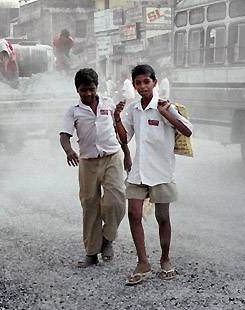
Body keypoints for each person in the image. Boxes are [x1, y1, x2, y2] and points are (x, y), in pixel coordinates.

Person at [114, 64, 193, 285]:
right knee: (133, 214)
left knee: (163, 218)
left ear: (154, 83)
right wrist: (117, 118)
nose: (142, 87)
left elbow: (187, 131)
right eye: (137, 83)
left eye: (146, 82)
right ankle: (143, 262)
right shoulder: (132, 109)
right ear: (134, 85)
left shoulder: (164, 105)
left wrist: (166, 114)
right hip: (139, 171)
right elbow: (125, 138)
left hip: (162, 171)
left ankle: (165, 259)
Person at [60, 68, 131, 268]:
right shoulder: (73, 111)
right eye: (83, 90)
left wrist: (127, 155)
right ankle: (91, 253)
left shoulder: (109, 104)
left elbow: (119, 131)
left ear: (96, 87)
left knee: (115, 202)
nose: (88, 94)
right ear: (77, 90)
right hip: (88, 162)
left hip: (112, 157)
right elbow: (64, 135)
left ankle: (107, 239)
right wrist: (68, 151)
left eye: (91, 89)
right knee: (90, 206)